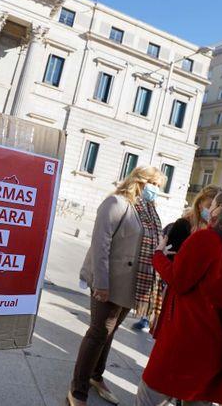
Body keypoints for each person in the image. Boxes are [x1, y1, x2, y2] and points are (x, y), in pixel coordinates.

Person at [136, 186, 222, 406]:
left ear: (220, 209)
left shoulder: (206, 240)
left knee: (149, 397)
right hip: (219, 349)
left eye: (214, 204)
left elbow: (178, 280)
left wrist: (158, 255)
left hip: (185, 340)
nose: (210, 208)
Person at [69, 166, 166, 406]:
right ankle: (77, 390)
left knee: (109, 333)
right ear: (140, 181)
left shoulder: (147, 210)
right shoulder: (116, 203)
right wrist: (101, 283)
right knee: (98, 332)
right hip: (110, 282)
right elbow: (100, 246)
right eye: (154, 184)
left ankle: (95, 376)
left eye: (158, 186)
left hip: (131, 286)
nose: (156, 190)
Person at [132, 185, 220, 333]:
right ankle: (146, 319)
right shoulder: (183, 225)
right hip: (176, 286)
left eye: (214, 206)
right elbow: (172, 257)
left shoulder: (213, 231)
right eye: (208, 206)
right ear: (199, 205)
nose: (210, 210)